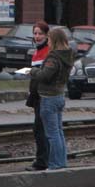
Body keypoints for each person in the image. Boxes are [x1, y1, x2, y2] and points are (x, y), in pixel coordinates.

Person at [36, 27, 75, 170]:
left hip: (49, 98)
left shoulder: (54, 57)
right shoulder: (68, 55)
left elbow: (45, 76)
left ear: (54, 40)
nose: (48, 42)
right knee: (58, 132)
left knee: (52, 134)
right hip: (59, 95)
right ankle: (61, 161)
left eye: (49, 39)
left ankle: (55, 164)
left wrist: (33, 71)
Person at [26, 21, 50, 171]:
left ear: (46, 35)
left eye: (40, 33)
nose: (37, 36)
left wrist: (33, 72)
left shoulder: (47, 51)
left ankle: (42, 161)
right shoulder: (36, 52)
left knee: (41, 129)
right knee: (39, 129)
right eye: (35, 33)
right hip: (36, 94)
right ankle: (43, 159)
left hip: (43, 94)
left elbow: (44, 74)